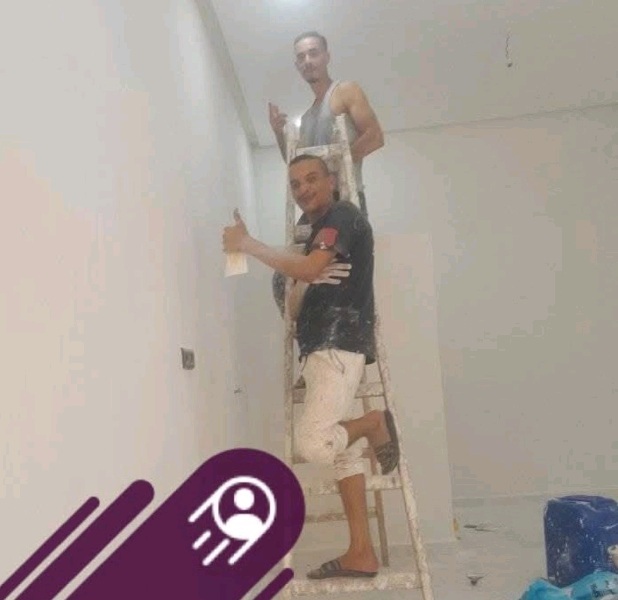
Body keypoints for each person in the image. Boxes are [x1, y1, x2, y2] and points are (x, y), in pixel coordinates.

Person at [222, 154, 399, 579]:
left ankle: (374, 423)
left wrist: (248, 244)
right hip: (323, 347)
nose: (303, 189)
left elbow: (310, 266)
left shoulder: (342, 216)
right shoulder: (317, 230)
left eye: (312, 178)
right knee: (343, 454)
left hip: (337, 345)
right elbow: (299, 277)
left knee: (314, 443)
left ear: (332, 180)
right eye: (295, 183)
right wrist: (295, 282)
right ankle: (361, 553)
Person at [268, 30, 384, 217]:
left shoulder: (346, 91)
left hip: (346, 199)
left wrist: (331, 171)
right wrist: (278, 133)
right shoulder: (306, 118)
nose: (307, 61)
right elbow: (296, 165)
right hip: (316, 205)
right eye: (301, 57)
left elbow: (375, 137)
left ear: (326, 57)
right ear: (297, 65)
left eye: (313, 53)